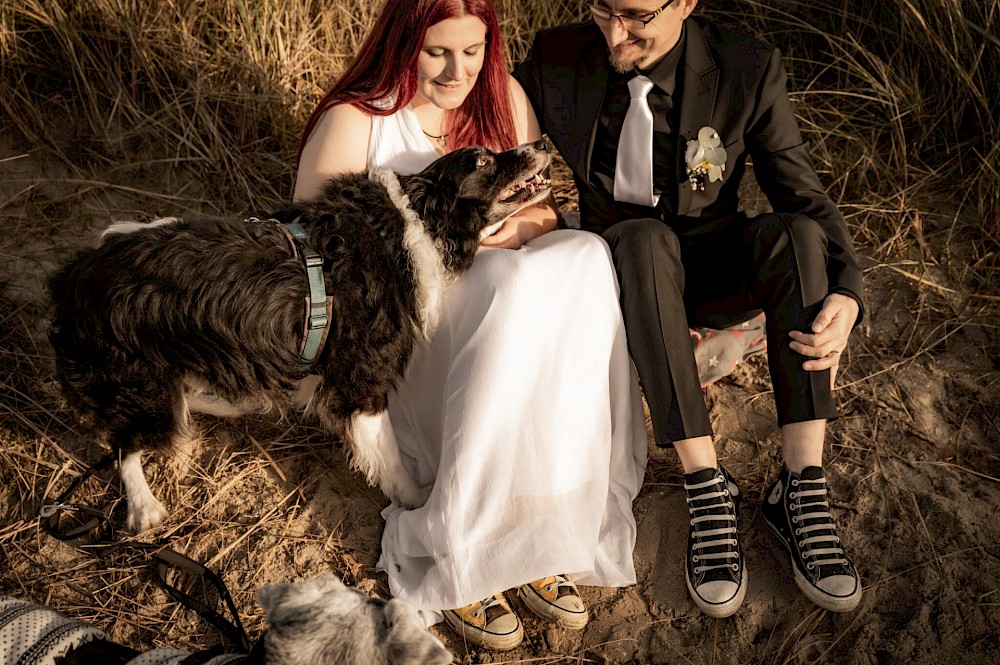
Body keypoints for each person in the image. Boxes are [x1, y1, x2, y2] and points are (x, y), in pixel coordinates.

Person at [294, 0, 648, 652]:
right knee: (505, 281)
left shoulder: (503, 100)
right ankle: (467, 535)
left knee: (586, 257)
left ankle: (543, 520)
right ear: (406, 41)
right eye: (439, 52)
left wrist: (483, 234)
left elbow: (541, 213)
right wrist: (466, 244)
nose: (459, 71)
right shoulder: (358, 120)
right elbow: (316, 249)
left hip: (503, 312)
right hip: (413, 335)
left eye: (473, 51)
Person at [515, 0, 864, 618]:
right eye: (600, 8)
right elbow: (471, 113)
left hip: (712, 268)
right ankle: (706, 483)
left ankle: (801, 486)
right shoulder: (557, 56)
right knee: (645, 242)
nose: (615, 32)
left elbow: (799, 192)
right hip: (618, 275)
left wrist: (848, 291)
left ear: (686, 4)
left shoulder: (744, 66)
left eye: (636, 15)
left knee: (796, 237)